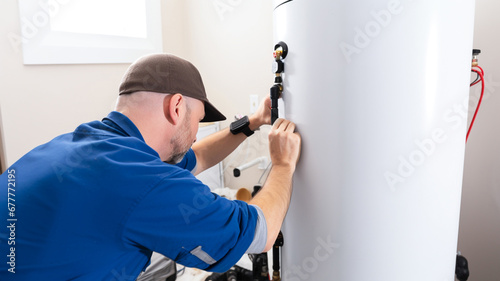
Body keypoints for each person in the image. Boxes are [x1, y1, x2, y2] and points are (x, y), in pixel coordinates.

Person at [0, 53, 301, 280]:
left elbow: (197, 157)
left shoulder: (87, 144)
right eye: (196, 120)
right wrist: (283, 164)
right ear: (177, 106)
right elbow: (261, 232)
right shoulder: (138, 181)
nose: (196, 132)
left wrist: (253, 122)